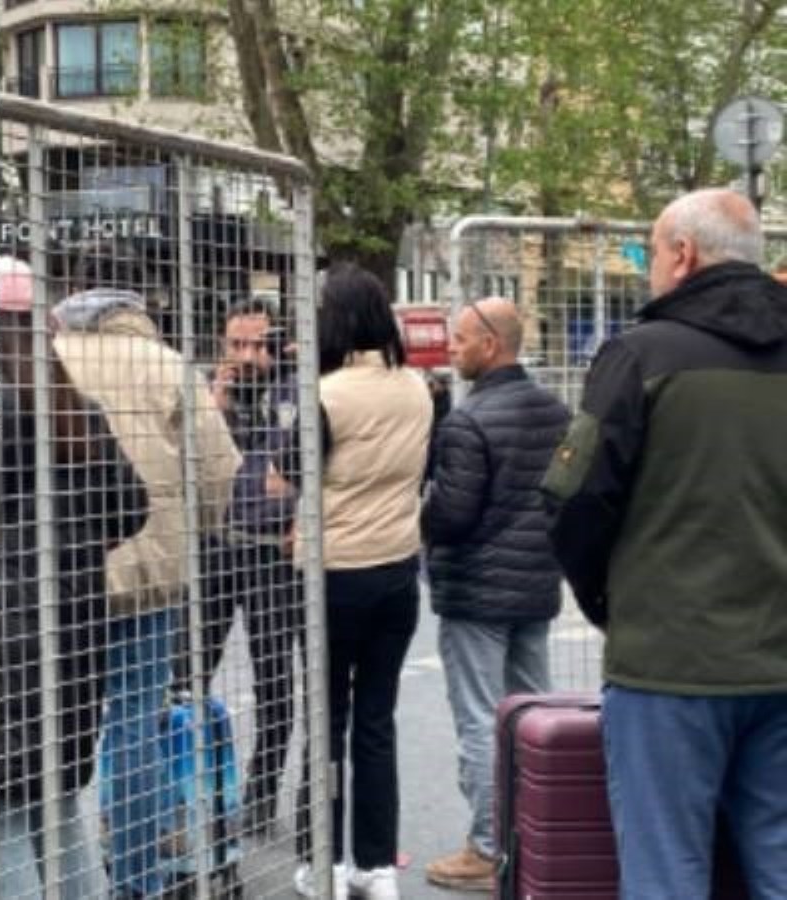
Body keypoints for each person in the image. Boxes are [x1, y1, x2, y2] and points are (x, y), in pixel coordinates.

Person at [543, 188, 787, 899]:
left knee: (665, 870)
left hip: (669, 666)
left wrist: (613, 606)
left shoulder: (641, 355)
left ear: (682, 256)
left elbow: (574, 502)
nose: (650, 266)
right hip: (780, 660)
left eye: (651, 251)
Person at [52, 288, 240, 899]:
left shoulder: (52, 357)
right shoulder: (168, 366)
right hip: (152, 575)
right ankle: (138, 879)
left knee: (54, 728)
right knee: (134, 723)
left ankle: (60, 867)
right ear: (137, 313)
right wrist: (200, 532)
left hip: (67, 572)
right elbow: (219, 475)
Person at [0, 258, 150, 899]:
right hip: (79, 638)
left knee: (7, 832)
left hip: (15, 653)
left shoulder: (8, 417)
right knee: (58, 816)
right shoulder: (73, 410)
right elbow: (133, 506)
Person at [421, 298, 570, 891]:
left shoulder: (467, 421)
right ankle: (540, 833)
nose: (450, 349)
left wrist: (423, 518)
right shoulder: (557, 410)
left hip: (477, 592)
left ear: (490, 344)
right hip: (536, 585)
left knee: (482, 720)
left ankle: (487, 847)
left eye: (459, 339)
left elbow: (452, 513)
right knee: (535, 711)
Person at [294, 264, 433, 900]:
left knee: (325, 722)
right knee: (377, 723)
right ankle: (377, 868)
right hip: (398, 570)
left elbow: (283, 478)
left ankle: (322, 860)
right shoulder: (419, 389)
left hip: (333, 576)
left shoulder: (323, 394)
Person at [193, 296, 301, 839]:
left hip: (272, 551)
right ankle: (198, 793)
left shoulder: (296, 392)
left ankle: (260, 796)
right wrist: (218, 401)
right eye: (237, 343)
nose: (248, 354)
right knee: (189, 673)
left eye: (258, 344)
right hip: (218, 545)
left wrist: (301, 520)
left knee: (274, 679)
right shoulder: (213, 394)